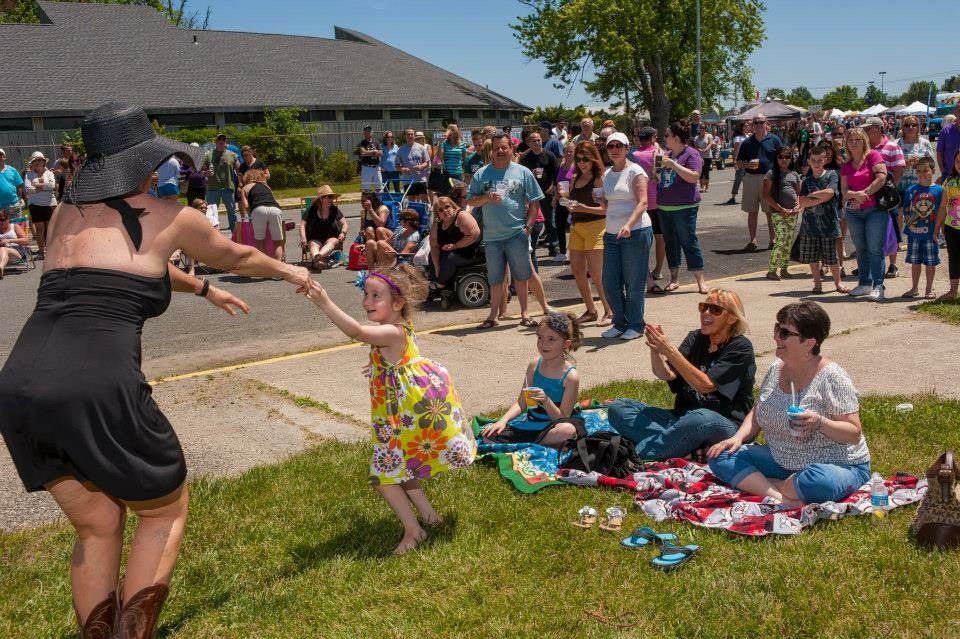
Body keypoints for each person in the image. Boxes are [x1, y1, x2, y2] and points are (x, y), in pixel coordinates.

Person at [0, 101, 307, 638]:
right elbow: (235, 255)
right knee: (164, 511)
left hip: (21, 387)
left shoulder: (66, 217)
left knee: (98, 526)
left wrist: (203, 289)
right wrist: (288, 269)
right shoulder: (174, 215)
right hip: (97, 384)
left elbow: (130, 264)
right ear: (144, 161)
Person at [302, 260, 475, 554]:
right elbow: (394, 359)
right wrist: (377, 368)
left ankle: (413, 531)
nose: (366, 302)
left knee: (384, 477)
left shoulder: (393, 332)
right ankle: (430, 518)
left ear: (398, 303)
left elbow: (357, 332)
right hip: (395, 413)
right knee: (402, 470)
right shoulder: (394, 329)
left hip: (400, 417)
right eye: (366, 294)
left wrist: (324, 301)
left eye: (375, 296)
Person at [708, 301, 871, 506]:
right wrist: (738, 438)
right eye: (777, 328)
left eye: (784, 333)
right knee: (720, 454)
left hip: (834, 463)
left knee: (820, 482)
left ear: (809, 343)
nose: (776, 337)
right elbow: (760, 409)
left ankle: (767, 484)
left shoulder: (832, 377)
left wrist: (819, 422)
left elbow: (853, 433)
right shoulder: (777, 368)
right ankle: (783, 497)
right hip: (781, 458)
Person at [608, 288, 755, 460]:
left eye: (715, 310)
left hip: (722, 424)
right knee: (619, 408)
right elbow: (666, 374)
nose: (706, 313)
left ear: (731, 318)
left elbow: (705, 385)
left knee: (701, 417)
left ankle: (639, 453)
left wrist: (670, 351)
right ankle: (684, 446)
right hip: (681, 420)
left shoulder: (740, 347)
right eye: (703, 307)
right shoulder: (695, 337)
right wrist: (656, 350)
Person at [466, 132, 543, 330]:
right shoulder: (481, 174)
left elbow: (535, 203)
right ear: (491, 151)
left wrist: (528, 228)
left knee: (522, 276)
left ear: (511, 149)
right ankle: (493, 316)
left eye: (504, 147)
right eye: (497, 148)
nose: (500, 151)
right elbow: (470, 200)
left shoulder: (523, 172)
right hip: (492, 236)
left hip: (517, 232)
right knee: (495, 278)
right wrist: (486, 198)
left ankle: (525, 313)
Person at [480, 312, 583, 448]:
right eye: (540, 338)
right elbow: (521, 403)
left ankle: (527, 443)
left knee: (567, 430)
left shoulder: (571, 377)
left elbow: (563, 418)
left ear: (565, 344)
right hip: (532, 423)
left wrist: (546, 401)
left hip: (554, 425)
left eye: (551, 339)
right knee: (488, 434)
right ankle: (536, 443)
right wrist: (502, 421)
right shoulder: (534, 366)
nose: (543, 344)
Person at [600, 131, 651, 340]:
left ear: (627, 149)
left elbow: (643, 202)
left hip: (636, 232)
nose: (613, 149)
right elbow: (609, 204)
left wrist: (629, 225)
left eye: (618, 146)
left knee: (633, 282)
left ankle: (637, 325)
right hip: (612, 234)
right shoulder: (607, 173)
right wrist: (600, 202)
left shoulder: (636, 171)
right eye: (610, 146)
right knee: (609, 282)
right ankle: (620, 322)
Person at [657, 121, 708, 295]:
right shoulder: (666, 154)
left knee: (688, 241)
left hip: (685, 207)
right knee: (670, 243)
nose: (665, 138)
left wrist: (673, 164)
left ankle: (700, 280)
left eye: (667, 135)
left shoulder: (691, 154)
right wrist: (656, 166)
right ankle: (674, 278)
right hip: (664, 207)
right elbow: (655, 177)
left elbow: (694, 177)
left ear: (676, 138)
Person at [565, 140, 612, 325]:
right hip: (577, 227)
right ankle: (591, 310)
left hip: (596, 226)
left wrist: (582, 207)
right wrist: (567, 204)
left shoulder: (598, 179)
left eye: (585, 158)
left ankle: (609, 311)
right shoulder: (574, 178)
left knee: (596, 273)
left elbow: (605, 209)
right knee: (577, 270)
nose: (582, 162)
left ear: (593, 158)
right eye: (578, 158)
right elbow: (572, 206)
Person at [840, 127, 889, 300]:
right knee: (861, 249)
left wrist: (865, 193)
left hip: (875, 210)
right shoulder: (846, 165)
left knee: (875, 248)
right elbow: (844, 191)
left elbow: (882, 177)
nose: (853, 143)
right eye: (850, 140)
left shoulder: (873, 156)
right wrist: (857, 195)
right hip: (854, 212)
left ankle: (878, 285)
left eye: (857, 139)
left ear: (864, 141)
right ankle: (864, 283)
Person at [796, 146, 846, 294]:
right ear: (809, 161)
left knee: (832, 257)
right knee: (812, 258)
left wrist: (812, 195)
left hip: (828, 224)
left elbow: (831, 192)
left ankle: (838, 283)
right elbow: (801, 201)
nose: (816, 163)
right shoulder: (806, 180)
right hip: (809, 225)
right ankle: (817, 284)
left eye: (819, 160)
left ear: (825, 160)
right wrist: (819, 198)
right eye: (813, 160)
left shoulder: (831, 175)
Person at [864, 116, 906, 278]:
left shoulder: (892, 146)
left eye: (868, 128)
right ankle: (871, 264)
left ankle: (892, 265)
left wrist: (889, 189)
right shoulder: (866, 147)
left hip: (886, 194)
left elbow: (899, 169)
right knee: (870, 229)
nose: (866, 131)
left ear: (877, 129)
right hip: (868, 194)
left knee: (891, 229)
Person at [735, 115, 783, 251]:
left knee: (770, 211)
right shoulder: (747, 142)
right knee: (752, 211)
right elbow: (738, 162)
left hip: (769, 178)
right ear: (752, 125)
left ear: (766, 123)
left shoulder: (774, 139)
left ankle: (773, 239)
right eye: (755, 122)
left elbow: (783, 157)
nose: (758, 125)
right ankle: (752, 240)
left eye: (761, 122)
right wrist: (746, 164)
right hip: (751, 178)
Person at [900, 157, 943, 299]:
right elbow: (906, 210)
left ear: (933, 171)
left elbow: (942, 212)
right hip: (914, 233)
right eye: (918, 171)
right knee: (915, 261)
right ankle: (914, 288)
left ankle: (929, 289)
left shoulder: (939, 190)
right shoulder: (911, 190)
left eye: (926, 170)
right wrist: (910, 221)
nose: (922, 174)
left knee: (931, 262)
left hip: (931, 234)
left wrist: (941, 230)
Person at [631, 127, 665, 281]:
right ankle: (658, 270)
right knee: (659, 238)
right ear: (653, 138)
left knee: (640, 239)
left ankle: (641, 270)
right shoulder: (657, 153)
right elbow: (658, 175)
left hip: (638, 202)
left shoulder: (633, 155)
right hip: (656, 201)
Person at [519, 130, 560, 259]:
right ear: (529, 143)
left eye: (538, 140)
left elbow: (556, 173)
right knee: (532, 220)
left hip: (546, 193)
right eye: (534, 141)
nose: (537, 143)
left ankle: (554, 246)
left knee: (550, 220)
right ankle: (531, 245)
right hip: (531, 195)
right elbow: (522, 176)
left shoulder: (549, 155)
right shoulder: (525, 158)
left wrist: (552, 186)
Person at [763, 149, 802, 280]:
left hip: (792, 213)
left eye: (787, 157)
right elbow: (766, 195)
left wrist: (797, 205)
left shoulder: (794, 174)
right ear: (776, 158)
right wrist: (780, 209)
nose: (784, 159)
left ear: (791, 159)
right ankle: (772, 270)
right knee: (781, 240)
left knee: (788, 242)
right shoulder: (771, 174)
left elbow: (798, 193)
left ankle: (784, 269)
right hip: (778, 213)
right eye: (780, 157)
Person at [429, 195, 481, 289]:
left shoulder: (462, 216)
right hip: (450, 251)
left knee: (450, 258)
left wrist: (455, 246)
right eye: (441, 210)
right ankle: (435, 282)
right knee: (432, 255)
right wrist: (437, 267)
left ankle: (441, 283)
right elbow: (434, 245)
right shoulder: (437, 223)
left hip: (469, 252)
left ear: (453, 206)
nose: (445, 210)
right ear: (438, 214)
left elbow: (474, 235)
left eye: (447, 207)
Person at [239, 168, 285, 262]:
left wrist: (251, 215)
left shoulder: (245, 188)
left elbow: (246, 205)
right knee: (278, 242)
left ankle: (266, 268)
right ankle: (279, 267)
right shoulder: (267, 187)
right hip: (275, 209)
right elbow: (272, 199)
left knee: (260, 242)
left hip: (258, 210)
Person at [300, 184, 348, 270]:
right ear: (321, 199)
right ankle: (318, 261)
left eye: (332, 197)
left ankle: (318, 258)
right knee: (313, 244)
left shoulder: (334, 210)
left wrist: (343, 233)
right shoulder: (311, 210)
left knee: (332, 242)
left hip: (331, 238)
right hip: (315, 238)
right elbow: (302, 225)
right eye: (329, 197)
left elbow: (344, 223)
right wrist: (303, 238)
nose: (331, 199)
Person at [934, 152, 960, 300]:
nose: (959, 164)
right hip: (952, 228)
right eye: (957, 161)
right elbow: (943, 207)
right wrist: (937, 227)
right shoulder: (949, 182)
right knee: (954, 259)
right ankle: (953, 290)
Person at [23, 151, 57, 258]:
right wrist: (43, 187)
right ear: (32, 163)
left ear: (43, 162)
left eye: (40, 160)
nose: (38, 162)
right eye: (35, 160)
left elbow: (52, 186)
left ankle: (51, 250)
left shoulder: (49, 173)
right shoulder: (29, 174)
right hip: (35, 204)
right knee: (40, 228)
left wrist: (37, 185)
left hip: (49, 204)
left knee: (50, 228)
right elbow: (28, 189)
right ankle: (41, 251)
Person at [204, 133, 240, 231]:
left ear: (225, 142)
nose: (221, 141)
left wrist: (240, 184)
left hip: (228, 187)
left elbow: (239, 171)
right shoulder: (208, 155)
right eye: (219, 140)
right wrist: (206, 173)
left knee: (232, 212)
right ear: (215, 142)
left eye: (223, 140)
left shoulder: (232, 155)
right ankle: (213, 233)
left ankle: (235, 233)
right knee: (211, 212)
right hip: (212, 188)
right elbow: (202, 171)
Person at [897, 115, 936, 196]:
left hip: (922, 186)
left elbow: (932, 163)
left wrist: (921, 162)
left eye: (914, 125)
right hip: (900, 187)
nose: (910, 127)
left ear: (918, 127)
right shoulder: (895, 144)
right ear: (902, 128)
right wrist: (904, 164)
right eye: (907, 125)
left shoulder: (925, 143)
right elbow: (890, 166)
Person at [397, 128, 430, 202]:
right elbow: (397, 166)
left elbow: (427, 162)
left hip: (420, 179)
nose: (410, 136)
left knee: (424, 199)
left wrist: (421, 166)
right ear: (405, 136)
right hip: (408, 179)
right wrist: (403, 169)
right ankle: (413, 213)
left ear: (414, 136)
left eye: (412, 134)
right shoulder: (401, 149)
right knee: (411, 201)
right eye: (408, 134)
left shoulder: (421, 147)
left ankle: (426, 213)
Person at [0, 208, 30, 279]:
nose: (1, 222)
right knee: (2, 249)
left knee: (4, 249)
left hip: (16, 252)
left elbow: (26, 241)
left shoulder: (14, 227)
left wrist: (10, 240)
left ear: (8, 219)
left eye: (3, 219)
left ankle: (0, 267)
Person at [725, 122, 750, 205]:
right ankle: (733, 197)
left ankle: (748, 197)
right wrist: (735, 162)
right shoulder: (738, 138)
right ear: (741, 127)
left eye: (748, 126)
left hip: (748, 161)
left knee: (748, 180)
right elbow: (736, 150)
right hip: (741, 161)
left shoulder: (748, 136)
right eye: (746, 126)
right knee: (738, 179)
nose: (748, 127)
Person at [0, 148, 24, 228]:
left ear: (4, 157)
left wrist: (19, 199)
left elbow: (20, 185)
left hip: (14, 205)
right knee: (3, 232)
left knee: (18, 228)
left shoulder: (12, 170)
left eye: (0, 155)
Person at [936, 104, 960, 184]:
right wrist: (943, 172)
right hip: (950, 176)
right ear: (955, 113)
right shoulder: (945, 131)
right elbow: (939, 153)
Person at [357, 125, 383, 191]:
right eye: (366, 131)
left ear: (372, 133)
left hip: (376, 167)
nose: (368, 133)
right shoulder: (362, 143)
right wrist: (374, 151)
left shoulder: (376, 142)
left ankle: (378, 201)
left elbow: (381, 153)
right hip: (366, 168)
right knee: (366, 188)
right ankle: (366, 201)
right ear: (364, 133)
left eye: (369, 131)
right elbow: (363, 153)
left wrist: (368, 153)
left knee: (379, 188)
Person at [693, 126, 715, 192]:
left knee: (706, 171)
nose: (702, 130)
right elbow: (695, 145)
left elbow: (710, 143)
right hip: (699, 156)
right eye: (700, 129)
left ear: (705, 129)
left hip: (708, 156)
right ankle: (702, 187)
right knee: (701, 172)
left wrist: (706, 149)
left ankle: (706, 187)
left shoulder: (709, 135)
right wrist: (699, 149)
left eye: (703, 129)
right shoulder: (697, 137)